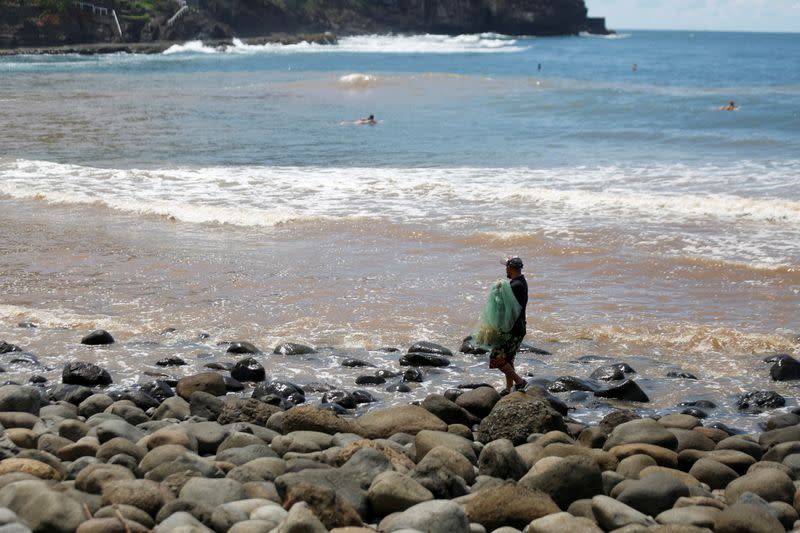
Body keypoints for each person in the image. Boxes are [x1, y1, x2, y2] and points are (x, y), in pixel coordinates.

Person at [490, 256, 528, 395]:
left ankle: (519, 381)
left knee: (497, 358)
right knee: (508, 358)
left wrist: (498, 291)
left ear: (511, 268)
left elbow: (504, 308)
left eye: (506, 267)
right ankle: (509, 388)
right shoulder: (521, 282)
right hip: (519, 327)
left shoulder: (514, 286)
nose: (505, 269)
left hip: (512, 329)